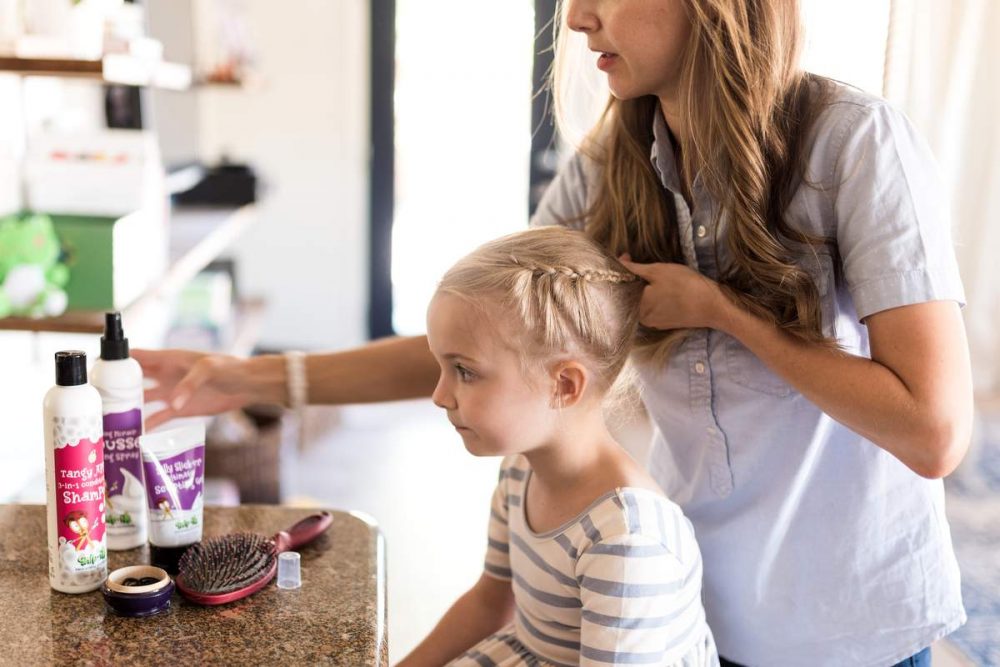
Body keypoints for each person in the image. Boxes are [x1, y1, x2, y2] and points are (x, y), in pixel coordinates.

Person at [136, 1, 973, 664]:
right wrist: (245, 378)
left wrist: (724, 312)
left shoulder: (856, 144)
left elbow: (933, 433)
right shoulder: (615, 163)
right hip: (695, 612)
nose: (575, 17)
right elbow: (492, 343)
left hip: (847, 627)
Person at [390, 226, 717, 665]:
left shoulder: (627, 540)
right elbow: (490, 603)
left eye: (464, 371)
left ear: (563, 385)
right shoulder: (520, 469)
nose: (439, 395)